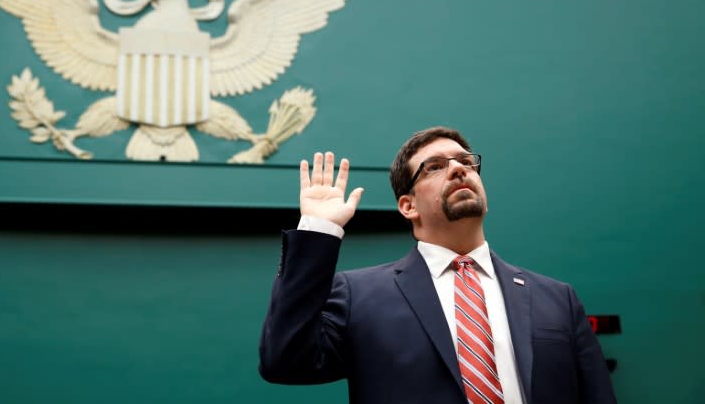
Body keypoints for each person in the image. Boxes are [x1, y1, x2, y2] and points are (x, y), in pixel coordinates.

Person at [258, 126, 617, 404]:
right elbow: (285, 360)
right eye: (435, 167)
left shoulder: (557, 299)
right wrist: (320, 229)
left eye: (466, 161)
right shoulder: (359, 296)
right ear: (408, 206)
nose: (459, 170)